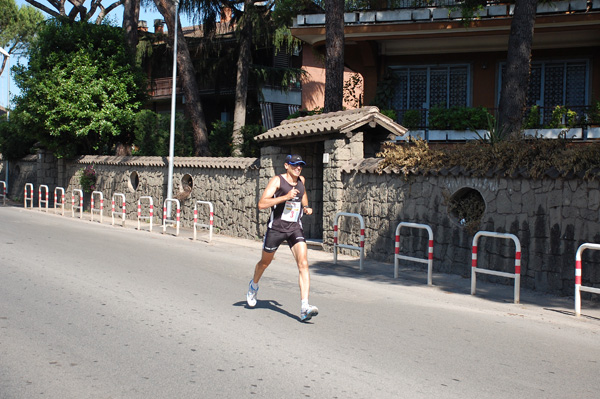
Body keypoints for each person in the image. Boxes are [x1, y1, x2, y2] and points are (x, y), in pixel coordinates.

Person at [246, 154, 319, 322]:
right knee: (265, 262)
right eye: (294, 165)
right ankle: (253, 285)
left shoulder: (301, 180)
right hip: (276, 229)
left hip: (294, 228)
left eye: (300, 165)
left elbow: (303, 195)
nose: (298, 167)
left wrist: (306, 207)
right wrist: (285, 197)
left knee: (303, 263)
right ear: (286, 165)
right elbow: (262, 203)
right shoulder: (277, 181)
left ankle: (304, 307)